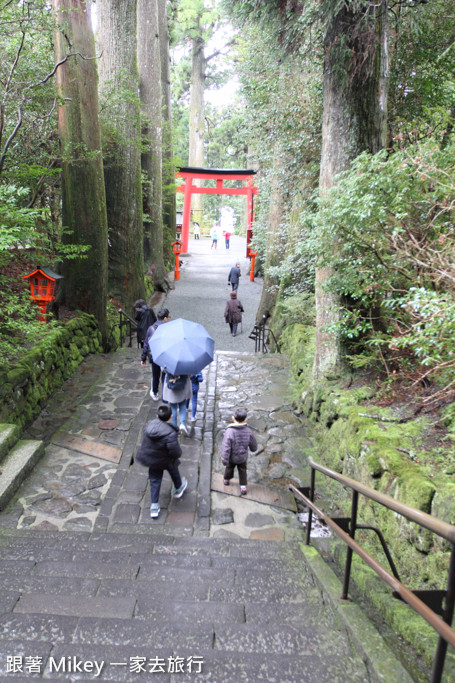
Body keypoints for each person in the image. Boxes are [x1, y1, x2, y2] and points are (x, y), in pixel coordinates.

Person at [135, 404, 188, 519]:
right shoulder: (170, 433)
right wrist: (178, 455)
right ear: (171, 416)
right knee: (174, 470)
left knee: (154, 480)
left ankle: (154, 506)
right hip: (166, 459)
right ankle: (178, 488)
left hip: (152, 459)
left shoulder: (149, 426)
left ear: (157, 416)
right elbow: (175, 451)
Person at [221, 407, 257, 495]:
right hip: (242, 457)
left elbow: (226, 446)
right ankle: (243, 487)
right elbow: (253, 445)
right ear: (245, 419)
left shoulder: (229, 431)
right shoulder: (248, 431)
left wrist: (224, 458)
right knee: (242, 470)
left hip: (232, 457)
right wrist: (253, 449)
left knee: (229, 468)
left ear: (233, 418)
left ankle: (226, 480)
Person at [141, 308, 170, 400]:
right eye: (169, 317)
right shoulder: (169, 328)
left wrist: (143, 358)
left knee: (155, 375)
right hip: (165, 356)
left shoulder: (151, 329)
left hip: (154, 356)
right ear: (165, 318)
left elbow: (146, 344)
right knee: (165, 375)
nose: (169, 319)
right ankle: (165, 395)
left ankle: (155, 392)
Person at [163, 371, 192, 435]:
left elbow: (163, 369)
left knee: (173, 407)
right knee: (183, 405)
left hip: (171, 387)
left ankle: (174, 427)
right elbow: (190, 373)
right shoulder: (186, 361)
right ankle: (182, 424)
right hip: (183, 386)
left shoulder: (168, 360)